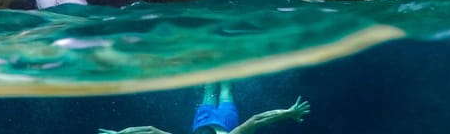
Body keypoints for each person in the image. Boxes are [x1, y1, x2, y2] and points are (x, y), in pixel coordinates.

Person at [98, 82, 311, 134]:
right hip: (225, 124)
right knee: (225, 90)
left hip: (204, 121)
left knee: (211, 90)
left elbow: (150, 131)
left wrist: (121, 133)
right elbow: (256, 119)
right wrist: (287, 112)